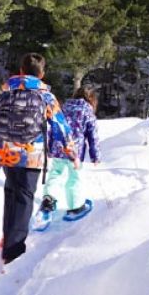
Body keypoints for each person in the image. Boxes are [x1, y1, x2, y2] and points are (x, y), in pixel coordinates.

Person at [0, 53, 75, 264]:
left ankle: (8, 239)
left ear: (20, 71)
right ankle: (14, 252)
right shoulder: (45, 96)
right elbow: (61, 127)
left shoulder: (6, 93)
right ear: (42, 73)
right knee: (24, 198)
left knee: (11, 193)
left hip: (6, 153)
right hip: (32, 155)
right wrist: (70, 152)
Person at [40, 86, 100, 221]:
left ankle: (48, 201)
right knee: (74, 178)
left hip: (58, 147)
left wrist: (50, 147)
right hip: (74, 152)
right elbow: (92, 136)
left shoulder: (64, 107)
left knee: (56, 174)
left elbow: (53, 127)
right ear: (91, 99)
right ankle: (76, 207)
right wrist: (95, 156)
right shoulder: (88, 111)